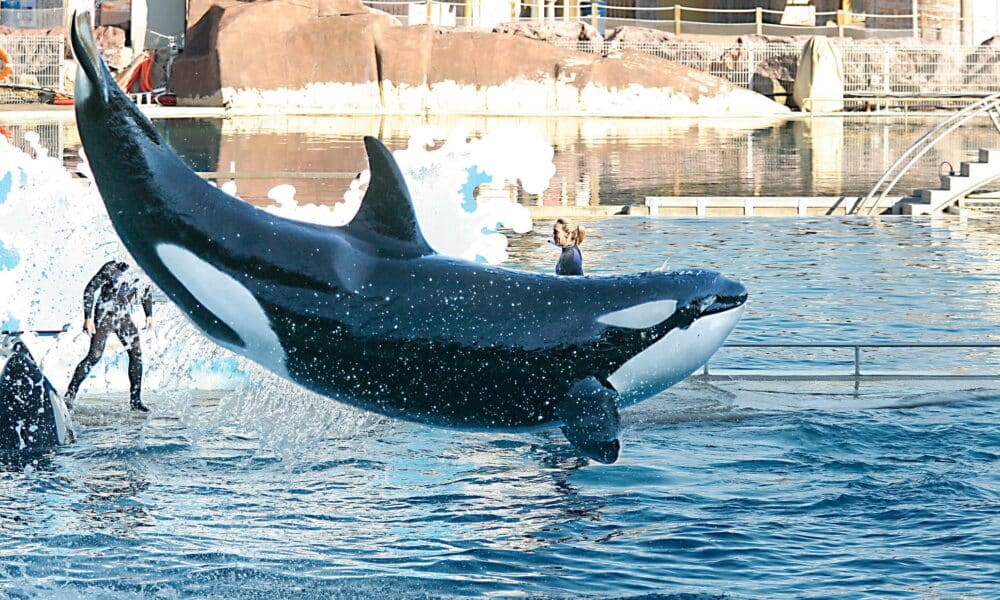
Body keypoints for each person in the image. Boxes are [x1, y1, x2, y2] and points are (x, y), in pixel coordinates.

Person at [65, 260, 153, 412]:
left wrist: (149, 314)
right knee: (94, 356)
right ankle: (70, 395)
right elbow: (90, 289)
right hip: (104, 314)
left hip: (123, 316)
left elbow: (145, 290)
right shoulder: (112, 267)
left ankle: (136, 401)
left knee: (136, 354)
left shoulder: (139, 269)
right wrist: (88, 318)